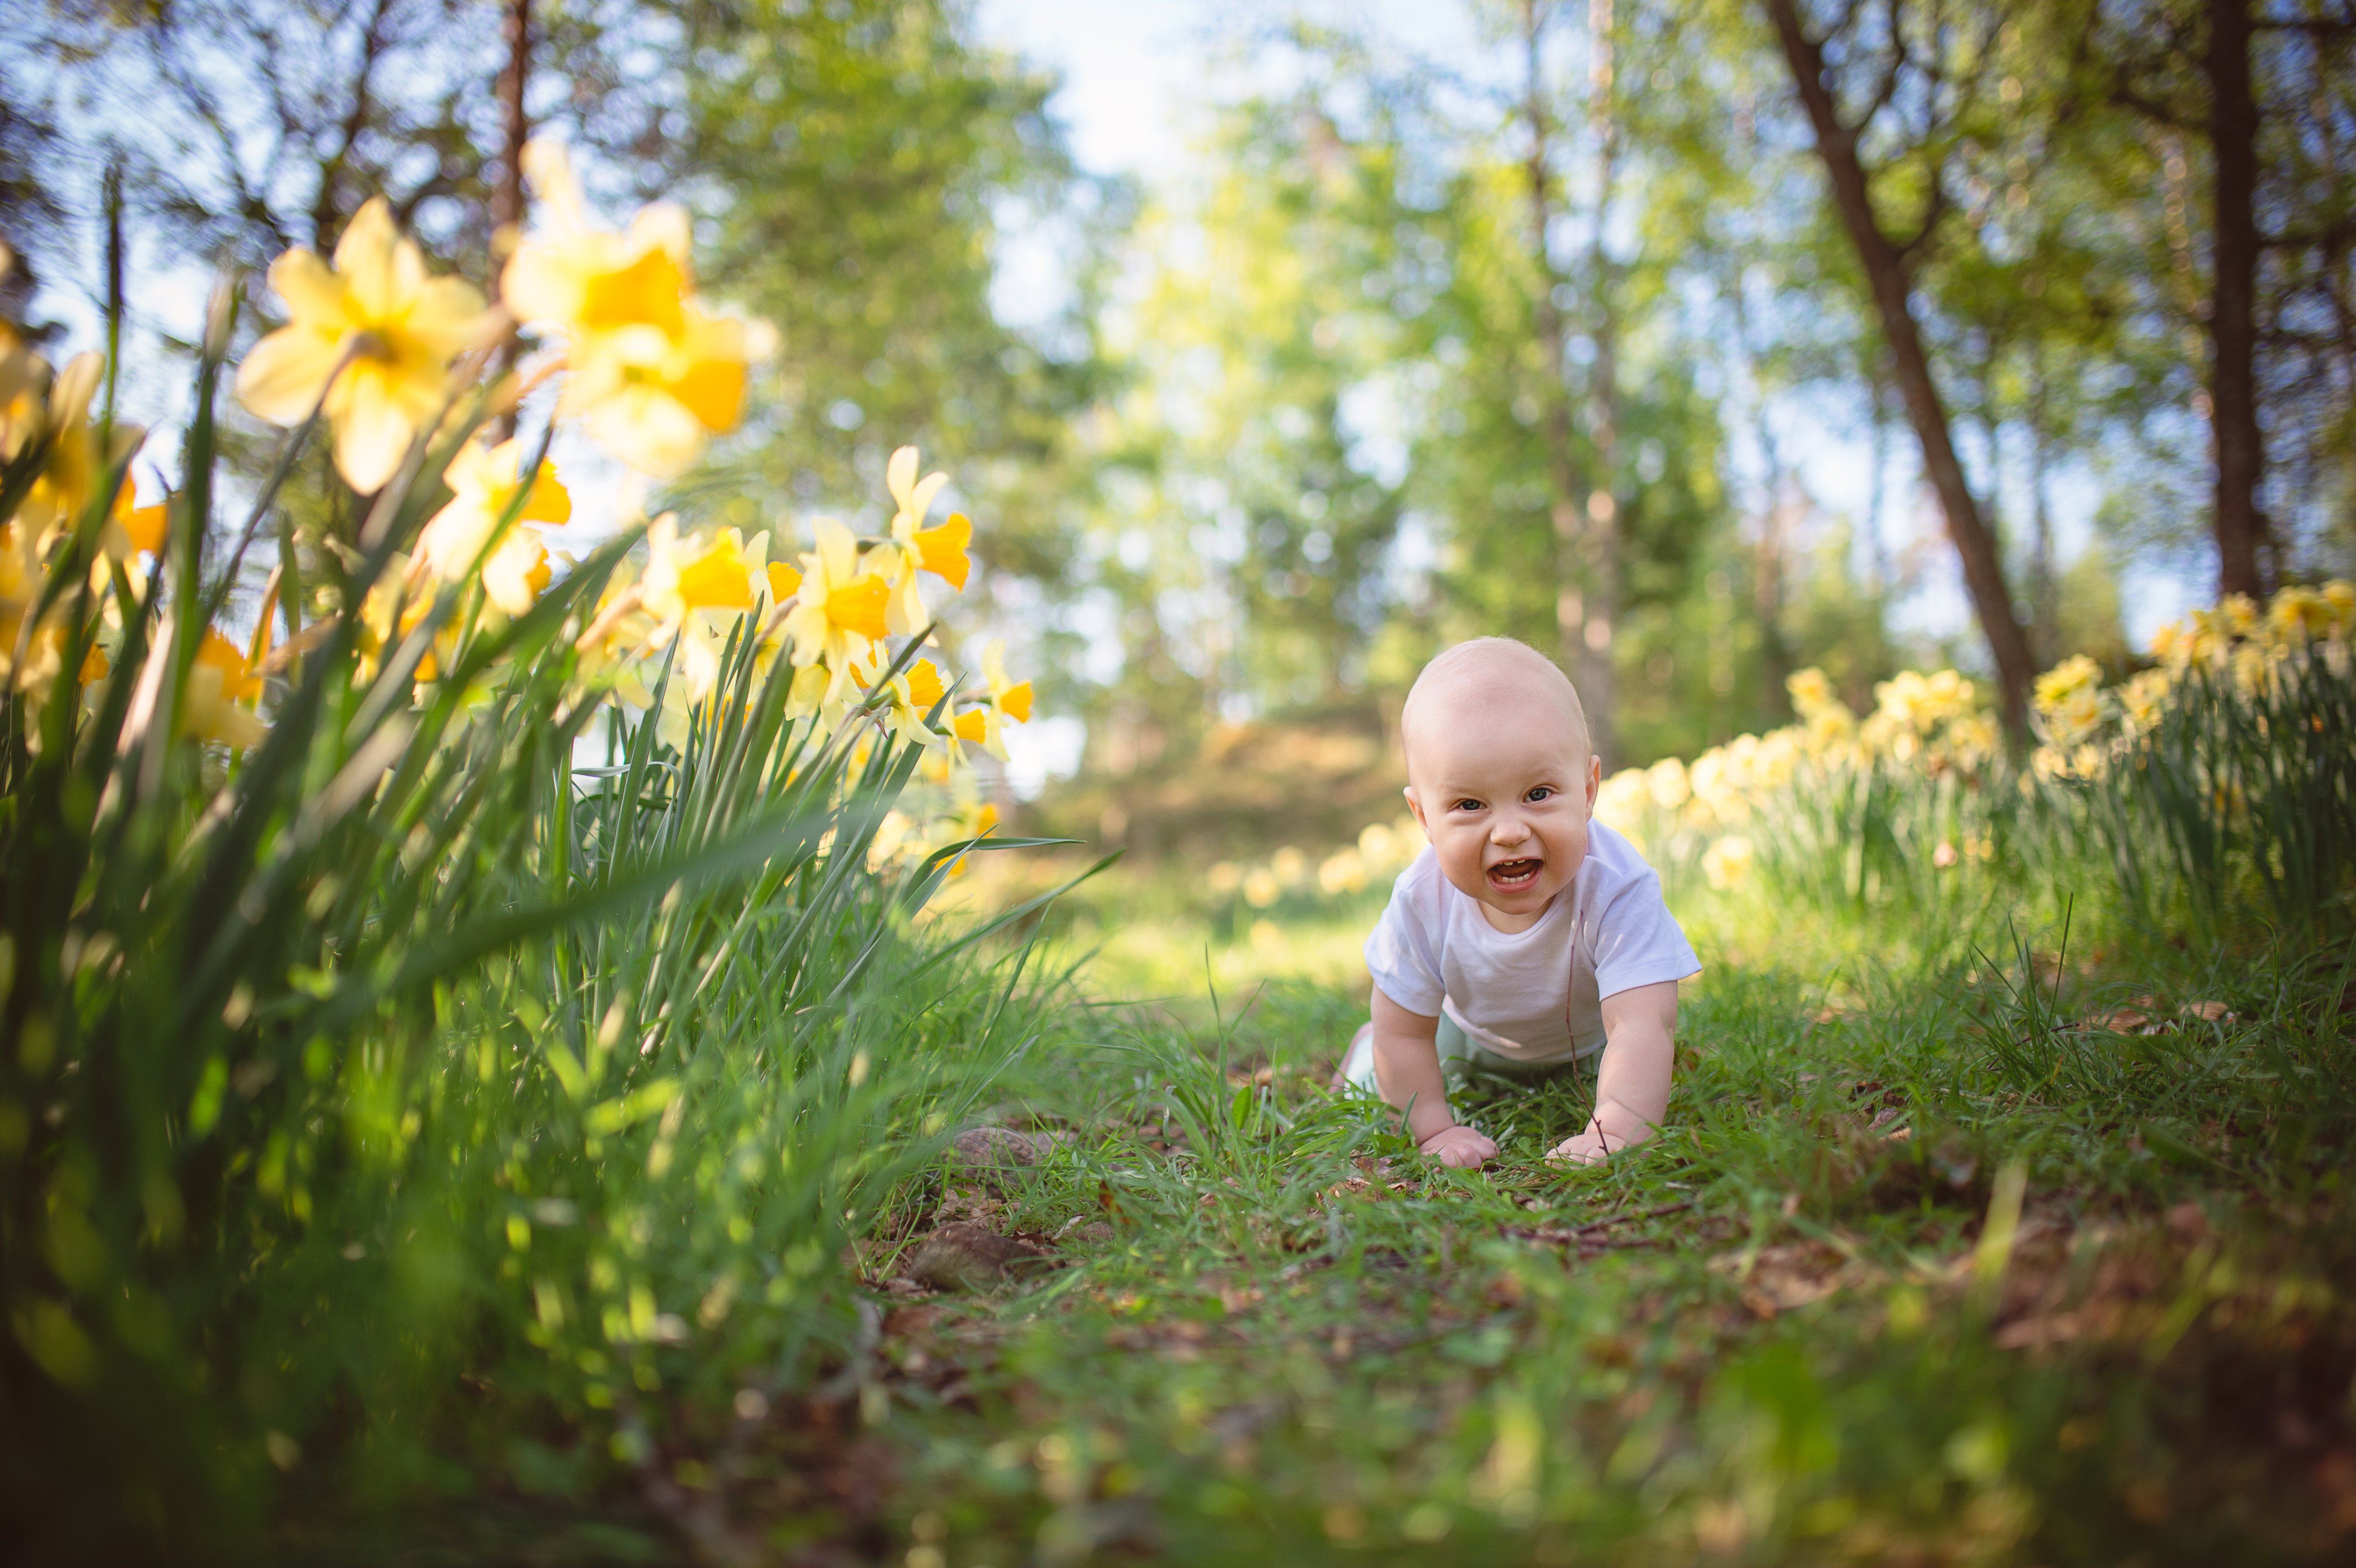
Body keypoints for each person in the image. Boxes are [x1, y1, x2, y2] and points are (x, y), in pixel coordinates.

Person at [1338, 638, 1700, 1168]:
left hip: (1590, 1048)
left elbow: (1641, 1024)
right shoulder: (1420, 900)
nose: (1509, 831)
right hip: (1464, 1037)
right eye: (1468, 804)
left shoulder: (1617, 885)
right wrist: (1434, 1130)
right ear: (1424, 819)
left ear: (1588, 789)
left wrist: (1618, 1126)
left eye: (1538, 794)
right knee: (1380, 1067)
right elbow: (1405, 1032)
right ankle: (1358, 1053)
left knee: (1638, 1063)